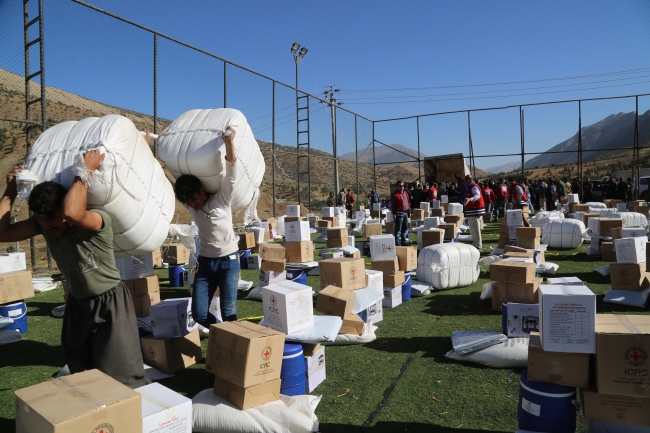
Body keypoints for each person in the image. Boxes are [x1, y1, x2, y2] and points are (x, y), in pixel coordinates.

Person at [0, 156, 148, 388]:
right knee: (82, 370)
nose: (48, 224)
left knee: (123, 375)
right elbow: (2, 233)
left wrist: (85, 170)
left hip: (110, 303)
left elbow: (72, 212)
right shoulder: (44, 225)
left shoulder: (97, 221)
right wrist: (10, 190)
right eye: (41, 218)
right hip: (78, 306)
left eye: (52, 216)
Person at [173, 126, 240, 329]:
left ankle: (234, 348)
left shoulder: (221, 199)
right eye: (188, 202)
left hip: (228, 262)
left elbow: (231, 173)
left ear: (202, 191)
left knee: (229, 311)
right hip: (205, 263)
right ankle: (221, 332)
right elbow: (167, 182)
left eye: (193, 199)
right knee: (200, 314)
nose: (192, 204)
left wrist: (229, 143)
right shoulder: (192, 206)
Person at [464, 175, 485, 250]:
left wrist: (470, 199)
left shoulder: (474, 186)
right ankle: (475, 244)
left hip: (475, 210)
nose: (464, 182)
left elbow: (477, 195)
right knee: (472, 229)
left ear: (469, 180)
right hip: (471, 211)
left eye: (465, 180)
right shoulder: (470, 187)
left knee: (476, 228)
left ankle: (478, 245)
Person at [391, 180, 411, 246]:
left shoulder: (406, 193)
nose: (402, 187)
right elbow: (393, 205)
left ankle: (404, 241)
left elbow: (408, 203)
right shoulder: (395, 194)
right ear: (397, 187)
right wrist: (393, 213)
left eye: (403, 186)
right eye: (400, 186)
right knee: (398, 229)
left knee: (405, 228)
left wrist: (409, 212)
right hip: (398, 213)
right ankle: (397, 242)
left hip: (405, 213)